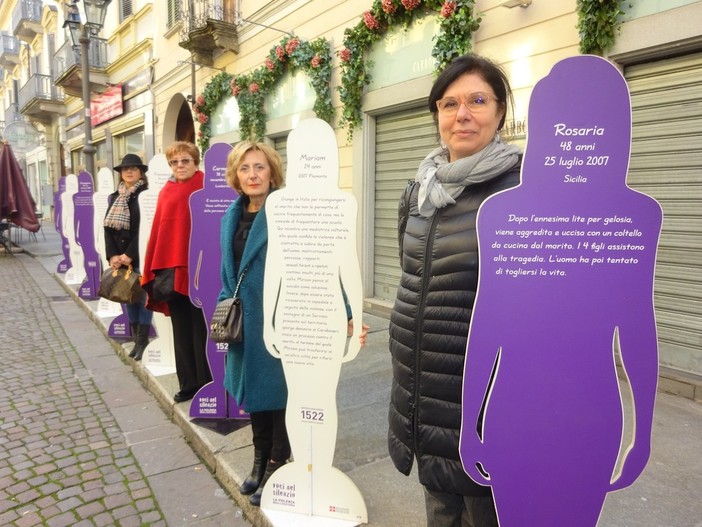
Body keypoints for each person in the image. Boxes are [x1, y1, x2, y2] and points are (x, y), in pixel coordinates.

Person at [388, 53, 522, 526]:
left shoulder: (522, 191)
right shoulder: (419, 190)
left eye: (477, 101)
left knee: (486, 513)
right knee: (440, 509)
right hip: (422, 390)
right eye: (449, 104)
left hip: (486, 399)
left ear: (501, 111)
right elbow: (412, 276)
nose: (461, 114)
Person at [218, 141, 288, 507]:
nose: (252, 175)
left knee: (278, 398)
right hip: (244, 320)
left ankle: (278, 462)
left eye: (259, 167)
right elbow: (226, 270)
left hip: (277, 319)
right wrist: (223, 306)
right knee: (256, 399)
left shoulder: (285, 211)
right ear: (236, 175)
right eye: (245, 169)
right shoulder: (230, 215)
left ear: (272, 172)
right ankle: (260, 459)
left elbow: (315, 260)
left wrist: (344, 311)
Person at [141, 141, 211, 403]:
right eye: (175, 162)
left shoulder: (206, 186)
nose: (180, 166)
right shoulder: (166, 191)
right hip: (173, 270)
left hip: (202, 269)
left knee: (202, 329)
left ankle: (207, 383)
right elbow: (160, 231)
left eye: (185, 161)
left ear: (196, 162)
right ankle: (189, 384)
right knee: (181, 329)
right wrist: (153, 265)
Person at [104, 153, 153, 360]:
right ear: (121, 174)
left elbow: (145, 228)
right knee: (127, 298)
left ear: (141, 172)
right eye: (125, 169)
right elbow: (107, 227)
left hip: (140, 254)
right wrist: (112, 255)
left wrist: (129, 255)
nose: (129, 171)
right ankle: (135, 339)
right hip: (120, 258)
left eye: (134, 168)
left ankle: (143, 341)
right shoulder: (116, 197)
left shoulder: (146, 195)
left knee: (142, 299)